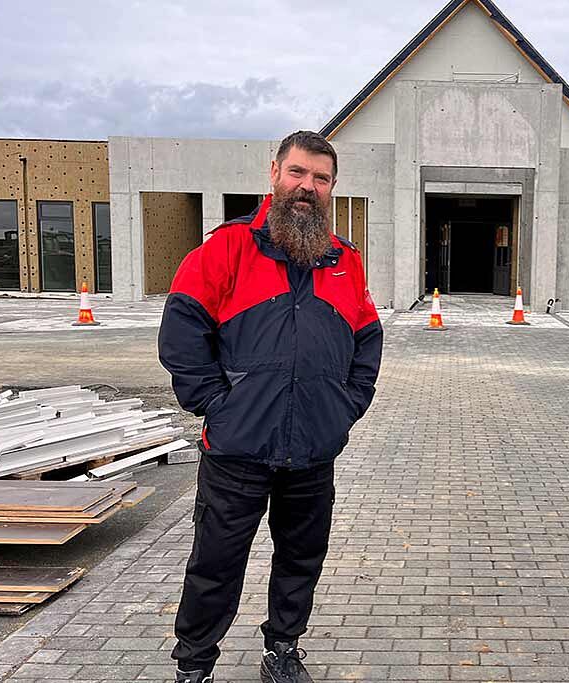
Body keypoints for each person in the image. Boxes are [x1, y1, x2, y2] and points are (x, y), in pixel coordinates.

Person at [158, 131, 383, 683]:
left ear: (333, 187)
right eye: (298, 173)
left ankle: (283, 648)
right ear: (274, 173)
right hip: (237, 451)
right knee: (215, 563)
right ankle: (195, 665)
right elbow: (182, 329)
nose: (308, 187)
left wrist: (342, 408)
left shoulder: (344, 261)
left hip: (312, 451)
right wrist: (217, 404)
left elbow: (368, 340)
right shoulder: (228, 247)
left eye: (321, 178)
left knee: (300, 560)